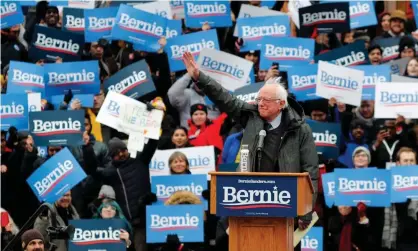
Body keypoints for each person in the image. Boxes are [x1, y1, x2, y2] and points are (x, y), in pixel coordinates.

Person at [181, 52, 318, 228]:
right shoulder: (251, 116)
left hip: (285, 203)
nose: (261, 103)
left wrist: (305, 211)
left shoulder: (300, 129)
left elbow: (310, 171)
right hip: (251, 200)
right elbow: (225, 98)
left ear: (281, 104)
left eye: (266, 100)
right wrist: (200, 77)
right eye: (259, 99)